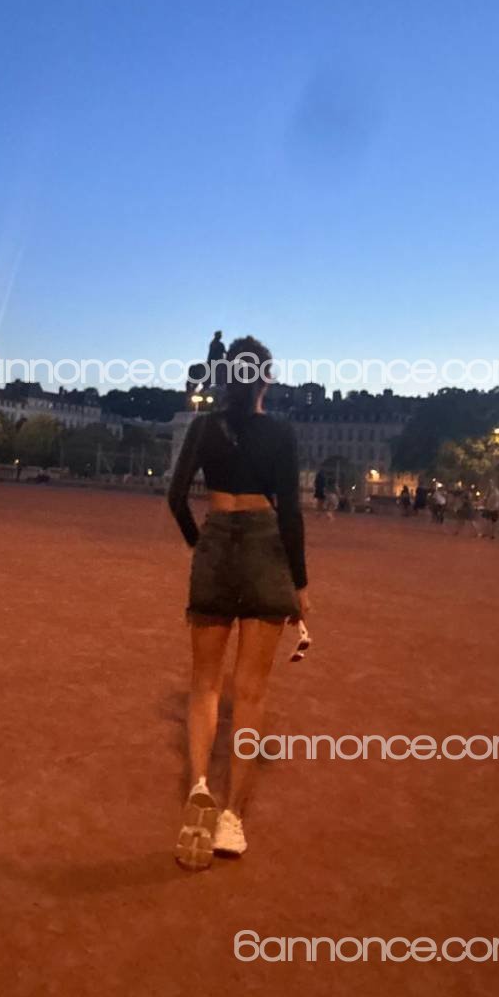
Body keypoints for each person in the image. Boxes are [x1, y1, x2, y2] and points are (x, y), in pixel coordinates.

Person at [167, 336, 309, 871]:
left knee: (205, 685)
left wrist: (199, 543)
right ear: (266, 379)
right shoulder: (281, 432)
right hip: (265, 547)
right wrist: (300, 584)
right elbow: (290, 512)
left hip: (218, 537)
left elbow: (176, 498)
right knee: (250, 693)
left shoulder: (204, 427)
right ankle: (232, 818)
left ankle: (200, 786)